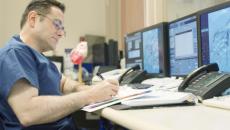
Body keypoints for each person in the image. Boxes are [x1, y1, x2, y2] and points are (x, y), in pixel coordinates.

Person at [0, 0, 119, 130]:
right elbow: (28, 113)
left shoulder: (39, 56)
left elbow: (62, 83)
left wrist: (88, 90)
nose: (61, 33)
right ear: (33, 19)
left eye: (62, 28)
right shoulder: (15, 53)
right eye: (57, 24)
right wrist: (90, 96)